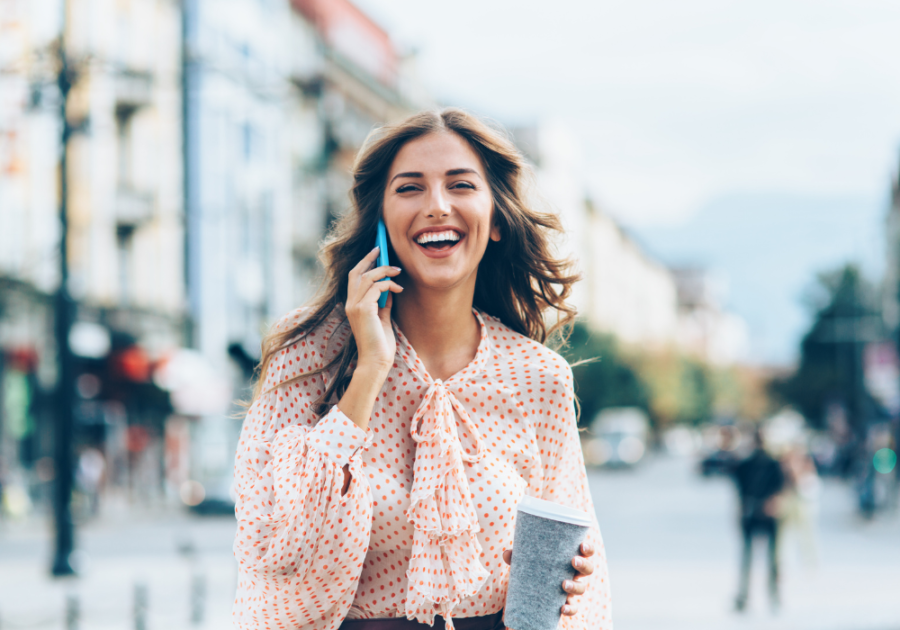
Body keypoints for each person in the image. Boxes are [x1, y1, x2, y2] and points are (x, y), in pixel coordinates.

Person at [231, 109, 612, 630]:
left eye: (460, 185)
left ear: (496, 218)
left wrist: (570, 581)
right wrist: (369, 370)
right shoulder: (308, 353)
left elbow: (579, 583)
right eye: (410, 188)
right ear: (381, 221)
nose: (437, 207)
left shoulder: (538, 376)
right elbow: (277, 550)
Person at [732, 428, 785, 612]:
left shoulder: (767, 464)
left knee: (764, 559)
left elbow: (779, 489)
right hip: (757, 511)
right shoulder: (761, 464)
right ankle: (755, 596)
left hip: (760, 511)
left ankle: (769, 595)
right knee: (759, 558)